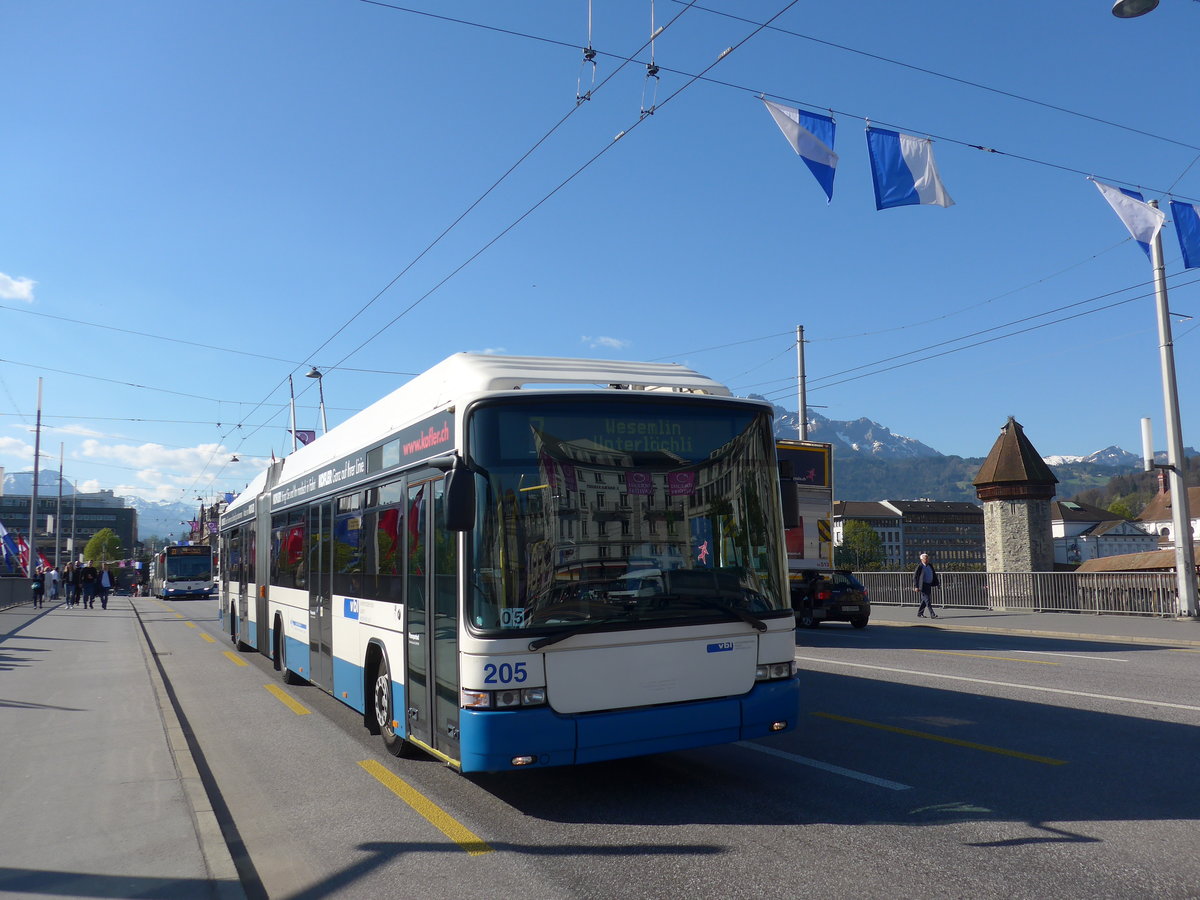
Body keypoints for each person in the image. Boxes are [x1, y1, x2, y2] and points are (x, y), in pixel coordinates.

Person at [912, 552, 939, 618]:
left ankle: (920, 613)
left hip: (929, 584)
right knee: (927, 600)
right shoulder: (920, 566)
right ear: (922, 560)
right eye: (925, 558)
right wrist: (916, 586)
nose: (927, 560)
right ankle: (932, 614)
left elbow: (934, 574)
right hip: (922, 585)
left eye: (927, 558)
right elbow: (915, 577)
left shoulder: (930, 565)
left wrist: (937, 583)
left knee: (924, 600)